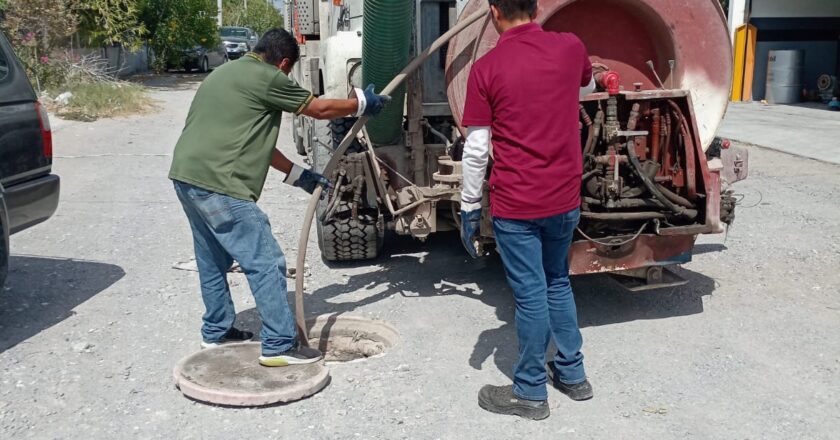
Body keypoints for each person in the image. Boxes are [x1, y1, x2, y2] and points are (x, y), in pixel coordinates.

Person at [169, 28, 389, 367]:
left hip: (187, 177)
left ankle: (217, 332)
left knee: (212, 260)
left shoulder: (224, 73)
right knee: (266, 262)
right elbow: (317, 109)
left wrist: (299, 176)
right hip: (220, 183)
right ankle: (279, 346)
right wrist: (362, 103)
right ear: (284, 62)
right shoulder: (268, 77)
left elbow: (255, 141)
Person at [459, 0, 596, 420]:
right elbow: (586, 90)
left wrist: (468, 207)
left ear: (494, 12)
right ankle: (573, 375)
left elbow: (477, 150)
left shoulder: (487, 68)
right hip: (565, 198)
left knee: (531, 293)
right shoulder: (571, 47)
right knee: (557, 281)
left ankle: (531, 391)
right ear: (536, 8)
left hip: (517, 204)